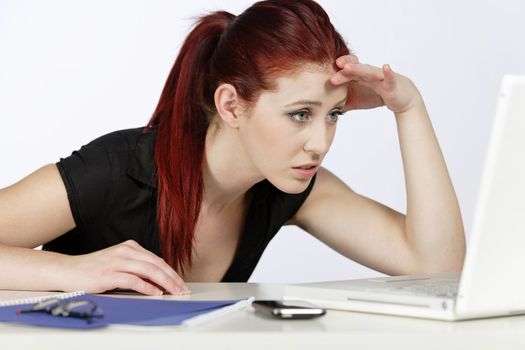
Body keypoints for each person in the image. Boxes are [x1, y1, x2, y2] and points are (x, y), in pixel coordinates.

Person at [0, 0, 465, 296]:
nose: (320, 142)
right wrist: (73, 272)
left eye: (334, 114)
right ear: (231, 105)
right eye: (300, 114)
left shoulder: (291, 185)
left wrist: (409, 108)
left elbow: (438, 266)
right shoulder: (119, 169)